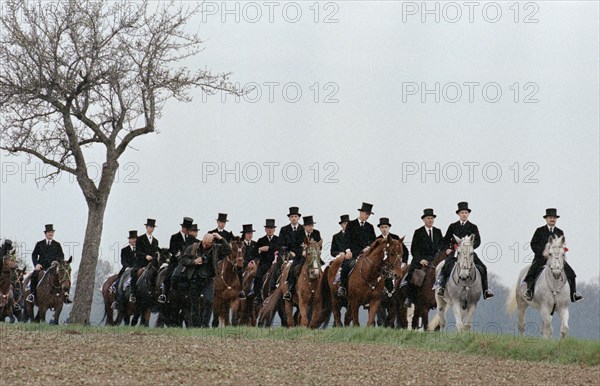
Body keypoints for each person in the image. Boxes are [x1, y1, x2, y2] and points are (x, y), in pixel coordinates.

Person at [523, 208, 583, 302]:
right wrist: (543, 253)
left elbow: (563, 245)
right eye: (550, 217)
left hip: (557, 258)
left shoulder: (560, 232)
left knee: (571, 273)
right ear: (546, 219)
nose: (552, 219)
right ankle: (529, 291)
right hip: (541, 258)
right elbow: (533, 244)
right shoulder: (539, 231)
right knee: (531, 271)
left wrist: (561, 252)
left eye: (554, 218)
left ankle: (574, 294)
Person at [437, 202, 493, 299]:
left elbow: (478, 241)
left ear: (468, 214)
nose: (464, 214)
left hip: (468, 253)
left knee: (483, 267)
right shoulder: (453, 226)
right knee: (446, 266)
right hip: (455, 252)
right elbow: (445, 240)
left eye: (466, 213)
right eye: (462, 212)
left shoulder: (473, 227)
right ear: (458, 214)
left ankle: (486, 290)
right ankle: (441, 287)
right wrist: (447, 249)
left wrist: (470, 247)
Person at [179, 233, 231, 327]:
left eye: (208, 244)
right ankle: (196, 326)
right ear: (202, 240)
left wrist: (221, 238)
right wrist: (193, 262)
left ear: (212, 243)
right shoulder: (193, 247)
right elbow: (183, 260)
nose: (205, 245)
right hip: (195, 279)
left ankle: (205, 325)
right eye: (204, 243)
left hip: (208, 279)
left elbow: (228, 250)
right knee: (195, 304)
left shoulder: (216, 248)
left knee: (209, 301)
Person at [404, 209, 443, 308]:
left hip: (434, 259)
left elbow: (441, 246)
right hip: (421, 259)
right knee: (412, 274)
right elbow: (414, 249)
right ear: (424, 220)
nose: (430, 220)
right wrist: (420, 260)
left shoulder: (438, 232)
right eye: (428, 218)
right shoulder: (418, 232)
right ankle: (409, 297)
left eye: (432, 218)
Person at [338, 202, 377, 297]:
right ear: (361, 213)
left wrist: (369, 247)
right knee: (346, 266)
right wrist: (348, 251)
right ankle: (342, 287)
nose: (367, 216)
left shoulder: (370, 227)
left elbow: (373, 241)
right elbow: (346, 239)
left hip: (367, 255)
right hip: (353, 253)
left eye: (369, 214)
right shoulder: (351, 224)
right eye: (366, 214)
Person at [27, 224, 69, 303]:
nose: (51, 234)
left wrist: (56, 261)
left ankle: (66, 295)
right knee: (34, 275)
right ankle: (32, 294)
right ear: (45, 233)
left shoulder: (57, 244)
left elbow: (61, 256)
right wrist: (36, 264)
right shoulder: (39, 244)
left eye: (52, 232)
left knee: (65, 275)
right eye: (49, 232)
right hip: (41, 267)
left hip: (53, 268)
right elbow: (34, 255)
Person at [283, 215, 321, 300]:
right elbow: (294, 247)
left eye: (312, 225)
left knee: (321, 270)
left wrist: (315, 251)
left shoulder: (316, 233)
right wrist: (302, 252)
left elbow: (319, 246)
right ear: (304, 226)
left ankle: (323, 289)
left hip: (313, 258)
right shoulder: (298, 234)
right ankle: (290, 290)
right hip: (301, 258)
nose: (311, 227)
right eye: (309, 226)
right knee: (293, 270)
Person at [159, 217, 193, 303]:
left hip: (188, 262)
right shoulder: (175, 237)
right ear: (183, 228)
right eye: (187, 229)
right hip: (176, 261)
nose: (188, 231)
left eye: (189, 229)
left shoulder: (191, 238)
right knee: (167, 277)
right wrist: (179, 255)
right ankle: (165, 295)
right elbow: (172, 249)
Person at [248, 219, 280, 305]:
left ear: (274, 230)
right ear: (265, 229)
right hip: (264, 263)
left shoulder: (278, 239)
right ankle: (257, 296)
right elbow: (254, 252)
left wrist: (268, 248)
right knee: (258, 275)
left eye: (271, 228)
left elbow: (280, 248)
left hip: (276, 263)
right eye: (268, 228)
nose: (270, 230)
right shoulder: (261, 240)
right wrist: (259, 250)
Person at [130, 218, 159, 303]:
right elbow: (137, 251)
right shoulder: (140, 239)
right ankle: (133, 293)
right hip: (142, 263)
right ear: (146, 227)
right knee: (135, 273)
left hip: (152, 264)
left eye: (153, 227)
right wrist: (145, 256)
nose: (151, 228)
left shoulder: (156, 241)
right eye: (150, 227)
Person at [110, 230, 138, 295]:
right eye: (132, 239)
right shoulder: (124, 250)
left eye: (135, 239)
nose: (134, 240)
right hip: (127, 268)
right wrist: (127, 267)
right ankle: (115, 286)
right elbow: (123, 261)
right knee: (121, 277)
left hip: (137, 268)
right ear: (129, 240)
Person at [238, 224, 258, 299]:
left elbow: (258, 256)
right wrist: (246, 264)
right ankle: (241, 290)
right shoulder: (240, 245)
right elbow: (239, 256)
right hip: (243, 265)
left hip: (254, 265)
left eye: (251, 233)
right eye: (248, 233)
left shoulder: (255, 244)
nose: (250, 235)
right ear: (244, 234)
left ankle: (255, 290)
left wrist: (253, 262)